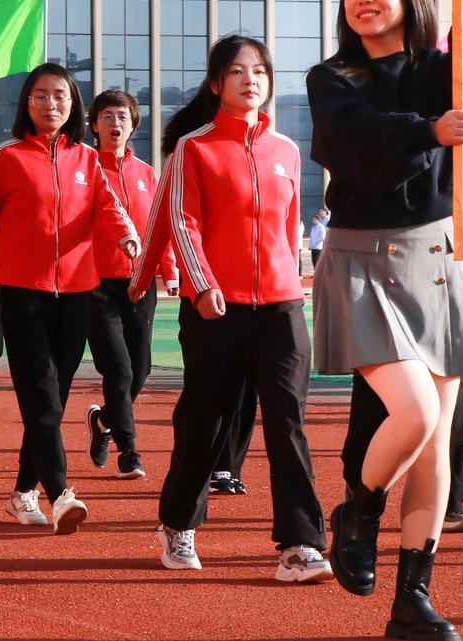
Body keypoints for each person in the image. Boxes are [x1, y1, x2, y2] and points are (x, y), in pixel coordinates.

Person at [309, 0, 463, 640]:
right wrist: (427, 130)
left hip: (438, 258)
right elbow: (352, 142)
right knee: (415, 413)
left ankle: (411, 598)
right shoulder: (332, 77)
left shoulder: (433, 70)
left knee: (437, 443)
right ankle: (358, 509)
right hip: (362, 258)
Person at [132, 35, 331, 583]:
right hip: (216, 309)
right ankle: (179, 523)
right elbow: (182, 221)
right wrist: (200, 285)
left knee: (287, 423)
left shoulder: (286, 150)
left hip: (282, 306)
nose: (251, 80)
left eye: (260, 71)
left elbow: (289, 227)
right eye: (238, 71)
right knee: (207, 420)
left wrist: (294, 280)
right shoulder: (193, 148)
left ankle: (301, 543)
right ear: (216, 84)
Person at [0, 63, 138, 536]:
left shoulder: (86, 159)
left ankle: (23, 491)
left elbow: (108, 207)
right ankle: (60, 493)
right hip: (22, 296)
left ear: (73, 104)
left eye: (59, 95)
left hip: (76, 295)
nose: (50, 104)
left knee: (53, 401)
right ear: (27, 103)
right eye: (40, 95)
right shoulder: (8, 157)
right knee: (41, 398)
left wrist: (126, 235)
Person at [85, 87, 177, 480]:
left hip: (140, 283)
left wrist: (168, 270)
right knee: (119, 371)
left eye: (122, 116)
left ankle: (104, 420)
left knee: (140, 370)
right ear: (94, 125)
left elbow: (159, 226)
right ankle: (129, 450)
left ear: (133, 126)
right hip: (94, 284)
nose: (115, 122)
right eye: (107, 115)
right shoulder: (85, 168)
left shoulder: (147, 174)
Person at [308, 207, 330, 272]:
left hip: (320, 245)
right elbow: (312, 237)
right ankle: (316, 272)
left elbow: (323, 236)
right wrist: (311, 244)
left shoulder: (327, 220)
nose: (320, 213)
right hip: (314, 246)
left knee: (318, 260)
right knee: (314, 260)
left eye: (321, 211)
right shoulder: (314, 227)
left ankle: (320, 272)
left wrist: (316, 242)